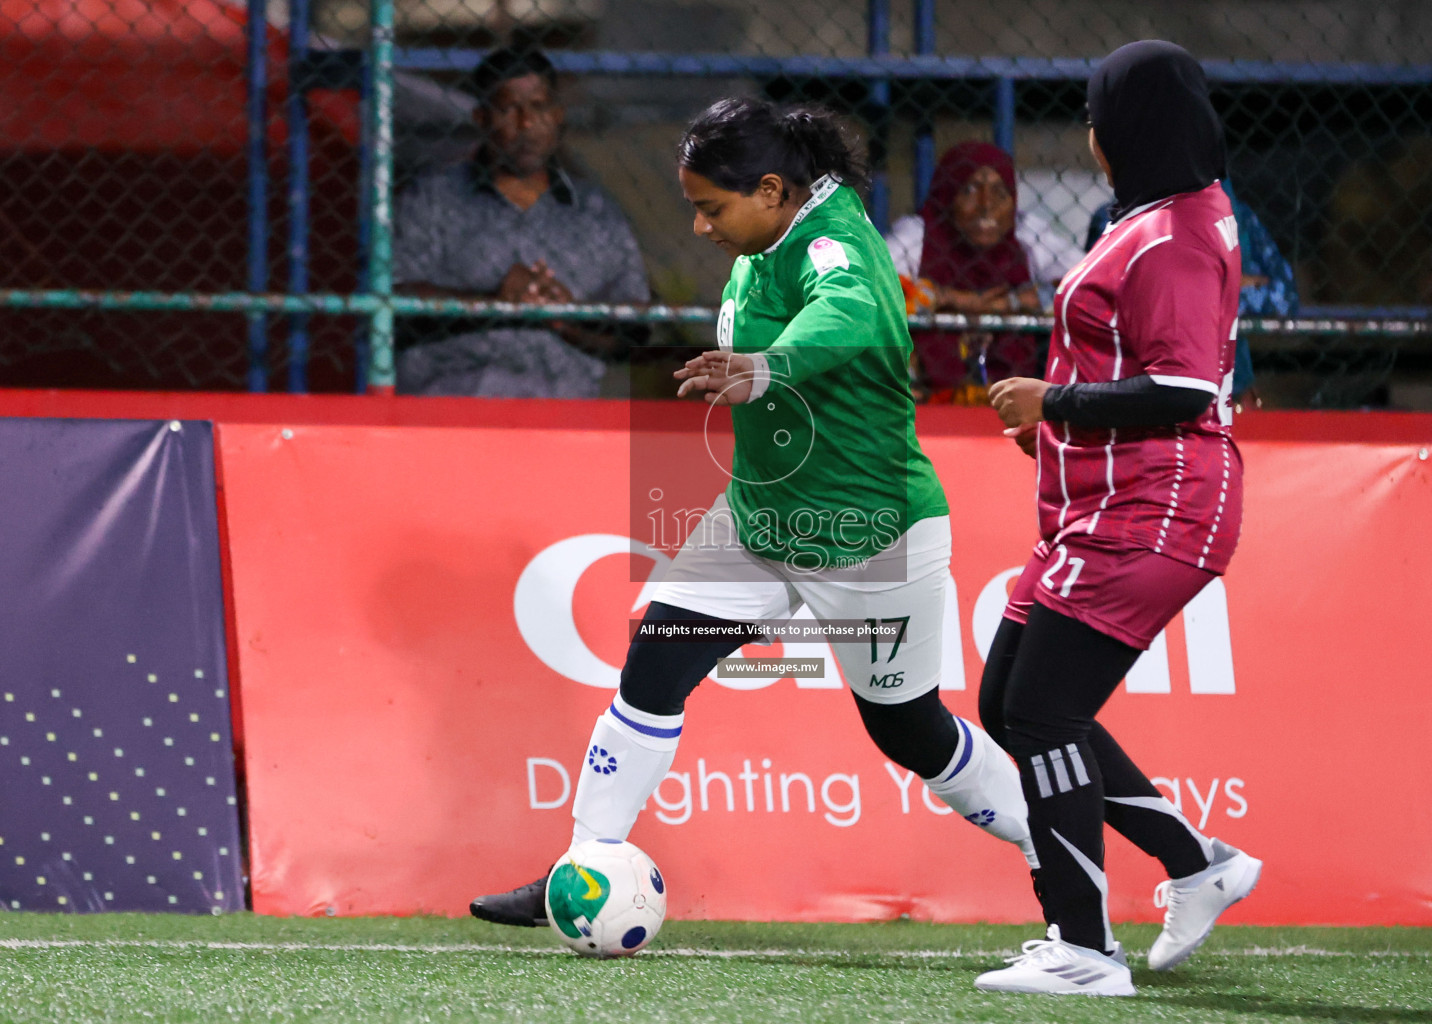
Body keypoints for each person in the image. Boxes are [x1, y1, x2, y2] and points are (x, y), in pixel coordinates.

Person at [469, 97, 1039, 928]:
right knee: (654, 663)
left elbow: (846, 312)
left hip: (868, 531)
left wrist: (770, 366)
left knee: (909, 731)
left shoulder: (840, 244)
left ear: (772, 190)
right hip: (759, 520)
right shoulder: (764, 235)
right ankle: (583, 866)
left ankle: (1051, 839)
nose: (700, 229)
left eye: (710, 208)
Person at [972, 41, 1262, 997]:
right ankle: (1196, 863)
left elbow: (1179, 383)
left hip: (1153, 510)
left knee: (1042, 710)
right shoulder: (1171, 211)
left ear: (1121, 129)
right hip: (1105, 501)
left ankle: (1086, 949)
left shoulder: (1172, 231)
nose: (1090, 131)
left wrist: (1051, 406)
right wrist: (1061, 429)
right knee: (1011, 699)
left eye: (1095, 113)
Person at [392, 46, 649, 398]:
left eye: (539, 107)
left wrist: (566, 319)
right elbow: (391, 303)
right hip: (455, 406)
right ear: (481, 117)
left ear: (558, 115)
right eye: (508, 108)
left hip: (567, 411)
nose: (526, 123)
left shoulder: (596, 210)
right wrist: (491, 302)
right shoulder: (431, 199)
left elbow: (633, 332)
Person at [884, 142, 1081, 404]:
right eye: (969, 190)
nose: (986, 205)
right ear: (947, 195)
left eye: (1000, 192)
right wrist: (953, 298)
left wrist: (1013, 302)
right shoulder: (917, 235)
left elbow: (1087, 283)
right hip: (924, 395)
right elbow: (878, 291)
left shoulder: (1027, 235)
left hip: (1019, 396)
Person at [1084, 179, 1299, 405]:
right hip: (1144, 387)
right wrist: (1231, 284)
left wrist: (1198, 292)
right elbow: (1132, 299)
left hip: (1228, 390)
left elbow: (1285, 299)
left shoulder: (1235, 214)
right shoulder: (1116, 217)